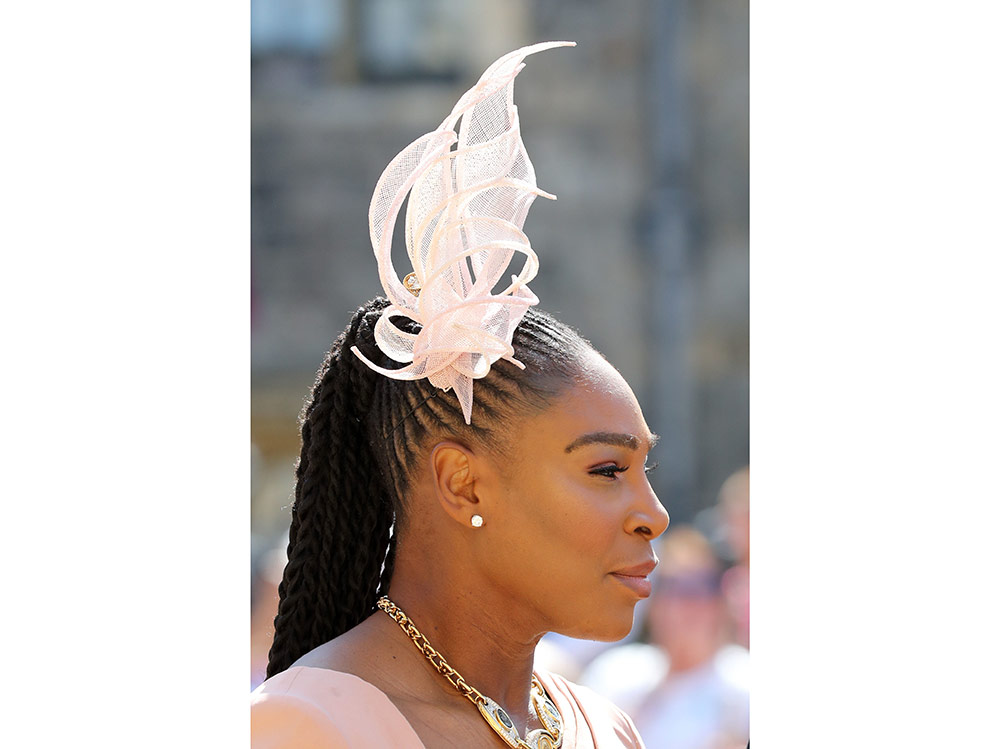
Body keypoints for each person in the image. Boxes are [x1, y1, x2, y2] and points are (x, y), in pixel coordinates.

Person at [250, 42, 670, 748]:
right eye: (606, 469)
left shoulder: (605, 727)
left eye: (643, 469)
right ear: (462, 482)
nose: (653, 515)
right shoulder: (306, 726)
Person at [579, 526, 749, 749]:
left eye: (703, 585)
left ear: (720, 601)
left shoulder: (745, 682)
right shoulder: (616, 672)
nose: (687, 601)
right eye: (672, 586)